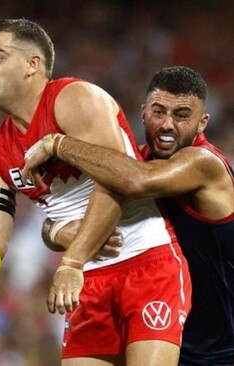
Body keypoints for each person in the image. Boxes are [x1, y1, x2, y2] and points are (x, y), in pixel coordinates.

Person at [0, 18, 191, 365]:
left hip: (147, 262)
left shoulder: (75, 98)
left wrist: (71, 260)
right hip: (89, 280)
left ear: (33, 65)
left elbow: (118, 181)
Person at [24, 66, 234, 365]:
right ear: (143, 112)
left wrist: (58, 143)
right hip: (161, 337)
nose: (167, 125)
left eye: (182, 115)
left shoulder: (204, 163)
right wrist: (59, 231)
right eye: (159, 112)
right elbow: (55, 221)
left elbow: (136, 181)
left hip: (220, 350)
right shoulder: (125, 165)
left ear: (202, 123)